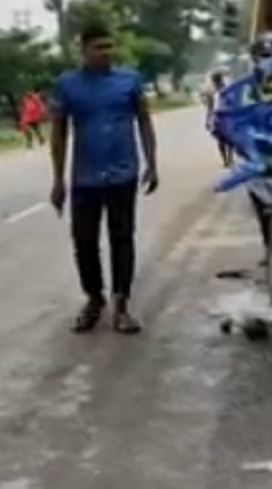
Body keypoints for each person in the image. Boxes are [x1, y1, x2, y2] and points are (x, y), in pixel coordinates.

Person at [49, 24, 158, 335]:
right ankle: (94, 298)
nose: (107, 52)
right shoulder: (67, 85)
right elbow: (58, 133)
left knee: (122, 238)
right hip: (85, 179)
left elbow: (144, 120)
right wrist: (58, 180)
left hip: (123, 174)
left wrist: (152, 162)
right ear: (83, 50)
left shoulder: (129, 81)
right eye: (99, 47)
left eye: (110, 46)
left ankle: (121, 304)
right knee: (84, 242)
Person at [204, 70, 234, 167]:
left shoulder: (226, 90)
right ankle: (227, 159)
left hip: (225, 116)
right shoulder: (212, 92)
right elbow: (210, 107)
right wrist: (208, 119)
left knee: (227, 139)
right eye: (215, 79)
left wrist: (208, 119)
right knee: (223, 140)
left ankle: (228, 158)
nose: (217, 81)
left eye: (217, 79)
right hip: (219, 117)